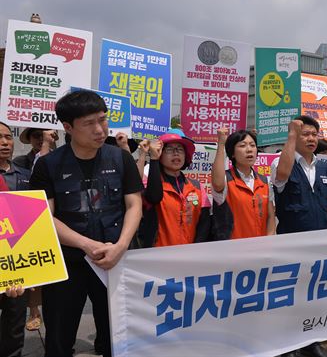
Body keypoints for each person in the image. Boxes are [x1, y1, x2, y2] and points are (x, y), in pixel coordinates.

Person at [29, 90, 143, 357]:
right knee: (58, 337)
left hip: (115, 260)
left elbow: (134, 204)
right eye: (89, 123)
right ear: (68, 127)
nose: (100, 129)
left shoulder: (120, 158)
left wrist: (122, 245)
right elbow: (44, 217)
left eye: (103, 120)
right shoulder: (48, 165)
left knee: (117, 337)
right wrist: (86, 244)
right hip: (68, 264)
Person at [271, 116, 327, 357]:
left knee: (314, 294)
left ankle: (312, 340)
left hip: (321, 243)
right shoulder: (282, 162)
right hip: (292, 242)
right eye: (304, 134)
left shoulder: (324, 166)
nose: (311, 139)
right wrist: (291, 134)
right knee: (292, 295)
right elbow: (281, 177)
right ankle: (290, 344)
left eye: (314, 134)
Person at [137, 131, 211, 247]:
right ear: (160, 154)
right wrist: (154, 158)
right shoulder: (149, 183)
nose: (176, 153)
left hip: (189, 256)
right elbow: (154, 197)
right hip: (158, 257)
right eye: (169, 150)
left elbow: (204, 224)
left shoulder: (197, 186)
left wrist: (196, 251)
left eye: (180, 149)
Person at [211, 128, 274, 240]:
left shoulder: (265, 181)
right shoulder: (226, 179)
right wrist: (221, 144)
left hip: (261, 250)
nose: (249, 150)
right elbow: (217, 183)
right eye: (243, 145)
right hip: (233, 252)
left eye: (252, 145)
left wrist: (269, 241)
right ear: (232, 153)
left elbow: (270, 216)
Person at [0, 123, 29, 357]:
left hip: (17, 262)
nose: (4, 142)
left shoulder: (25, 176)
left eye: (8, 137)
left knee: (15, 320)